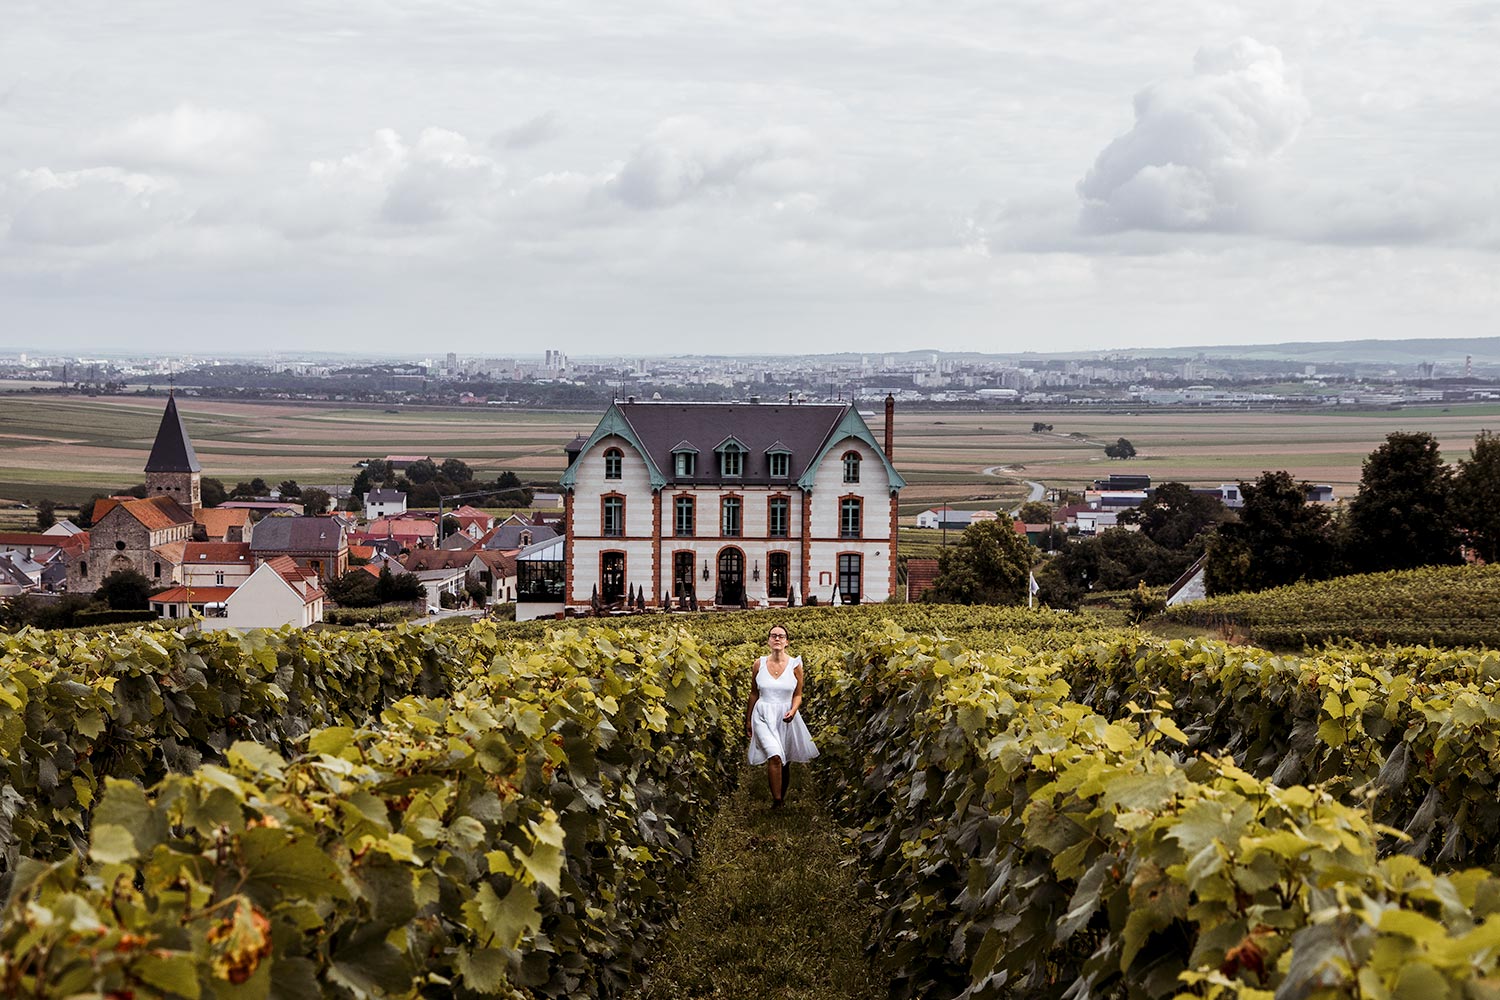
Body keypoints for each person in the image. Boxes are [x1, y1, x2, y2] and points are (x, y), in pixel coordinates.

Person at [745, 624, 818, 808]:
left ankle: (781, 795)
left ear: (787, 642)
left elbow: (798, 694)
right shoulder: (758, 664)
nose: (777, 639)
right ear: (768, 640)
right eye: (773, 635)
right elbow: (754, 693)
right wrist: (748, 720)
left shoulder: (795, 665)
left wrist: (793, 710)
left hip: (785, 715)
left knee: (785, 761)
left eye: (781, 636)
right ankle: (777, 802)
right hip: (762, 714)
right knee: (775, 755)